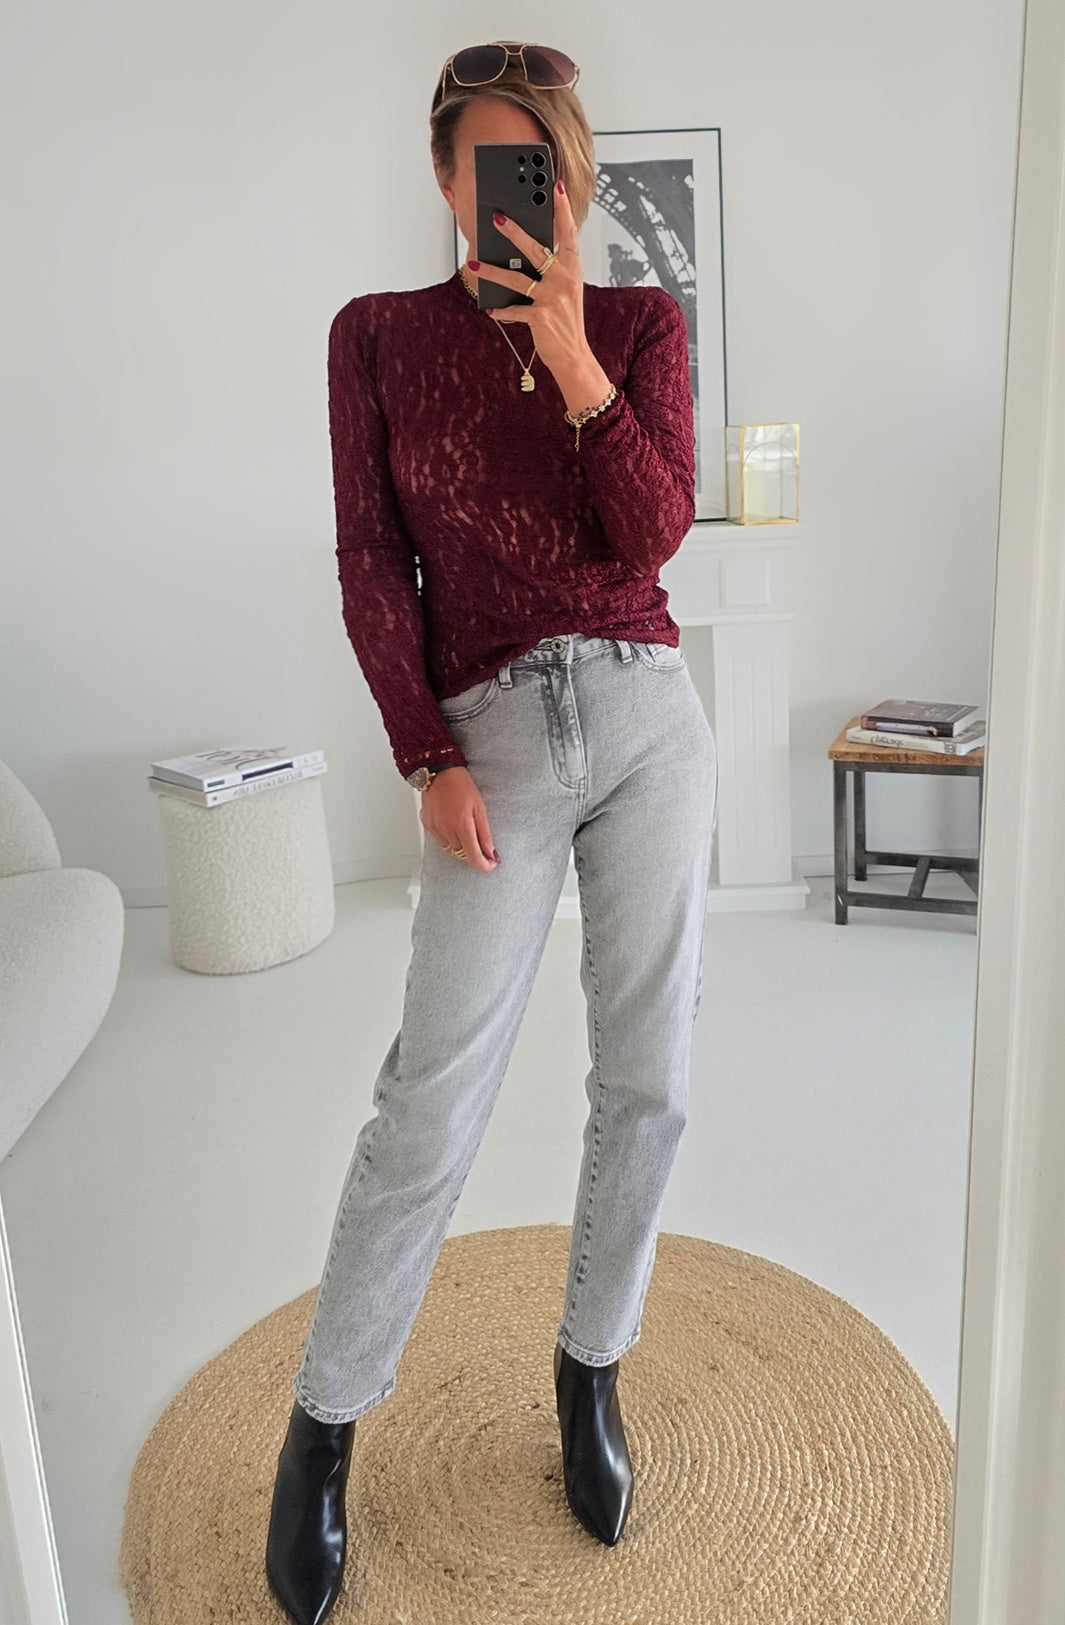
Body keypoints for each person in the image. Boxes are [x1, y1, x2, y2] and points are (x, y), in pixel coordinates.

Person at [266, 39, 718, 1625]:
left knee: (649, 1079)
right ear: (444, 175)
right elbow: (366, 558)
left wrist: (574, 353)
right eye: (483, 161)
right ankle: (324, 1426)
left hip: (647, 716)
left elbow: (653, 534)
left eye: (537, 162)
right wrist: (423, 755)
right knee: (430, 1096)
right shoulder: (376, 337)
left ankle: (589, 1367)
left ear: (570, 178)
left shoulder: (640, 326)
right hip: (492, 735)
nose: (507, 187)